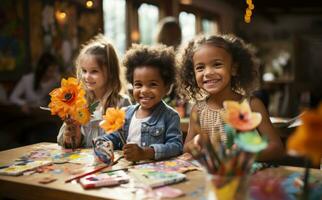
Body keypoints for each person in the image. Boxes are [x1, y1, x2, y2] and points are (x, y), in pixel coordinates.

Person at [178, 34, 284, 162]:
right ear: (192, 73)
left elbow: (277, 148)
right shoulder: (198, 110)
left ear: (234, 68)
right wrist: (195, 143)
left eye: (217, 65)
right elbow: (187, 150)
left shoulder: (251, 105)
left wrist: (245, 155)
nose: (208, 73)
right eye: (200, 67)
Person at [93, 44, 183, 162]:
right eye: (138, 84)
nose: (144, 90)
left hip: (155, 173)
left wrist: (145, 153)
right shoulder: (125, 113)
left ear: (167, 88)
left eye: (153, 84)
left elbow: (176, 146)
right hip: (129, 172)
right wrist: (102, 142)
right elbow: (115, 137)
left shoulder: (170, 116)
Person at [57, 34, 130, 148]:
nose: (87, 77)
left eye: (94, 71)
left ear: (110, 72)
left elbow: (128, 139)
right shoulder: (79, 103)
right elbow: (64, 142)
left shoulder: (121, 103)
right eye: (84, 71)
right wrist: (72, 136)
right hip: (83, 164)